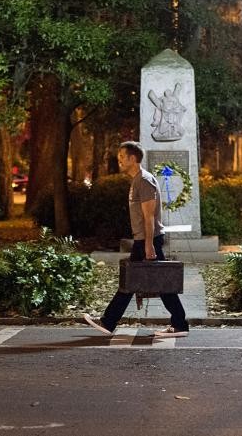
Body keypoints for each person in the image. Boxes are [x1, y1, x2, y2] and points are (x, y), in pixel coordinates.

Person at [84, 141, 189, 338]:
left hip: (148, 240)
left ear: (133, 158)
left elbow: (149, 216)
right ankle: (178, 323)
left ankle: (109, 321)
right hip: (144, 239)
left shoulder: (144, 181)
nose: (120, 161)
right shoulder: (138, 180)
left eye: (122, 158)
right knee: (152, 282)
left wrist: (148, 244)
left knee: (144, 281)